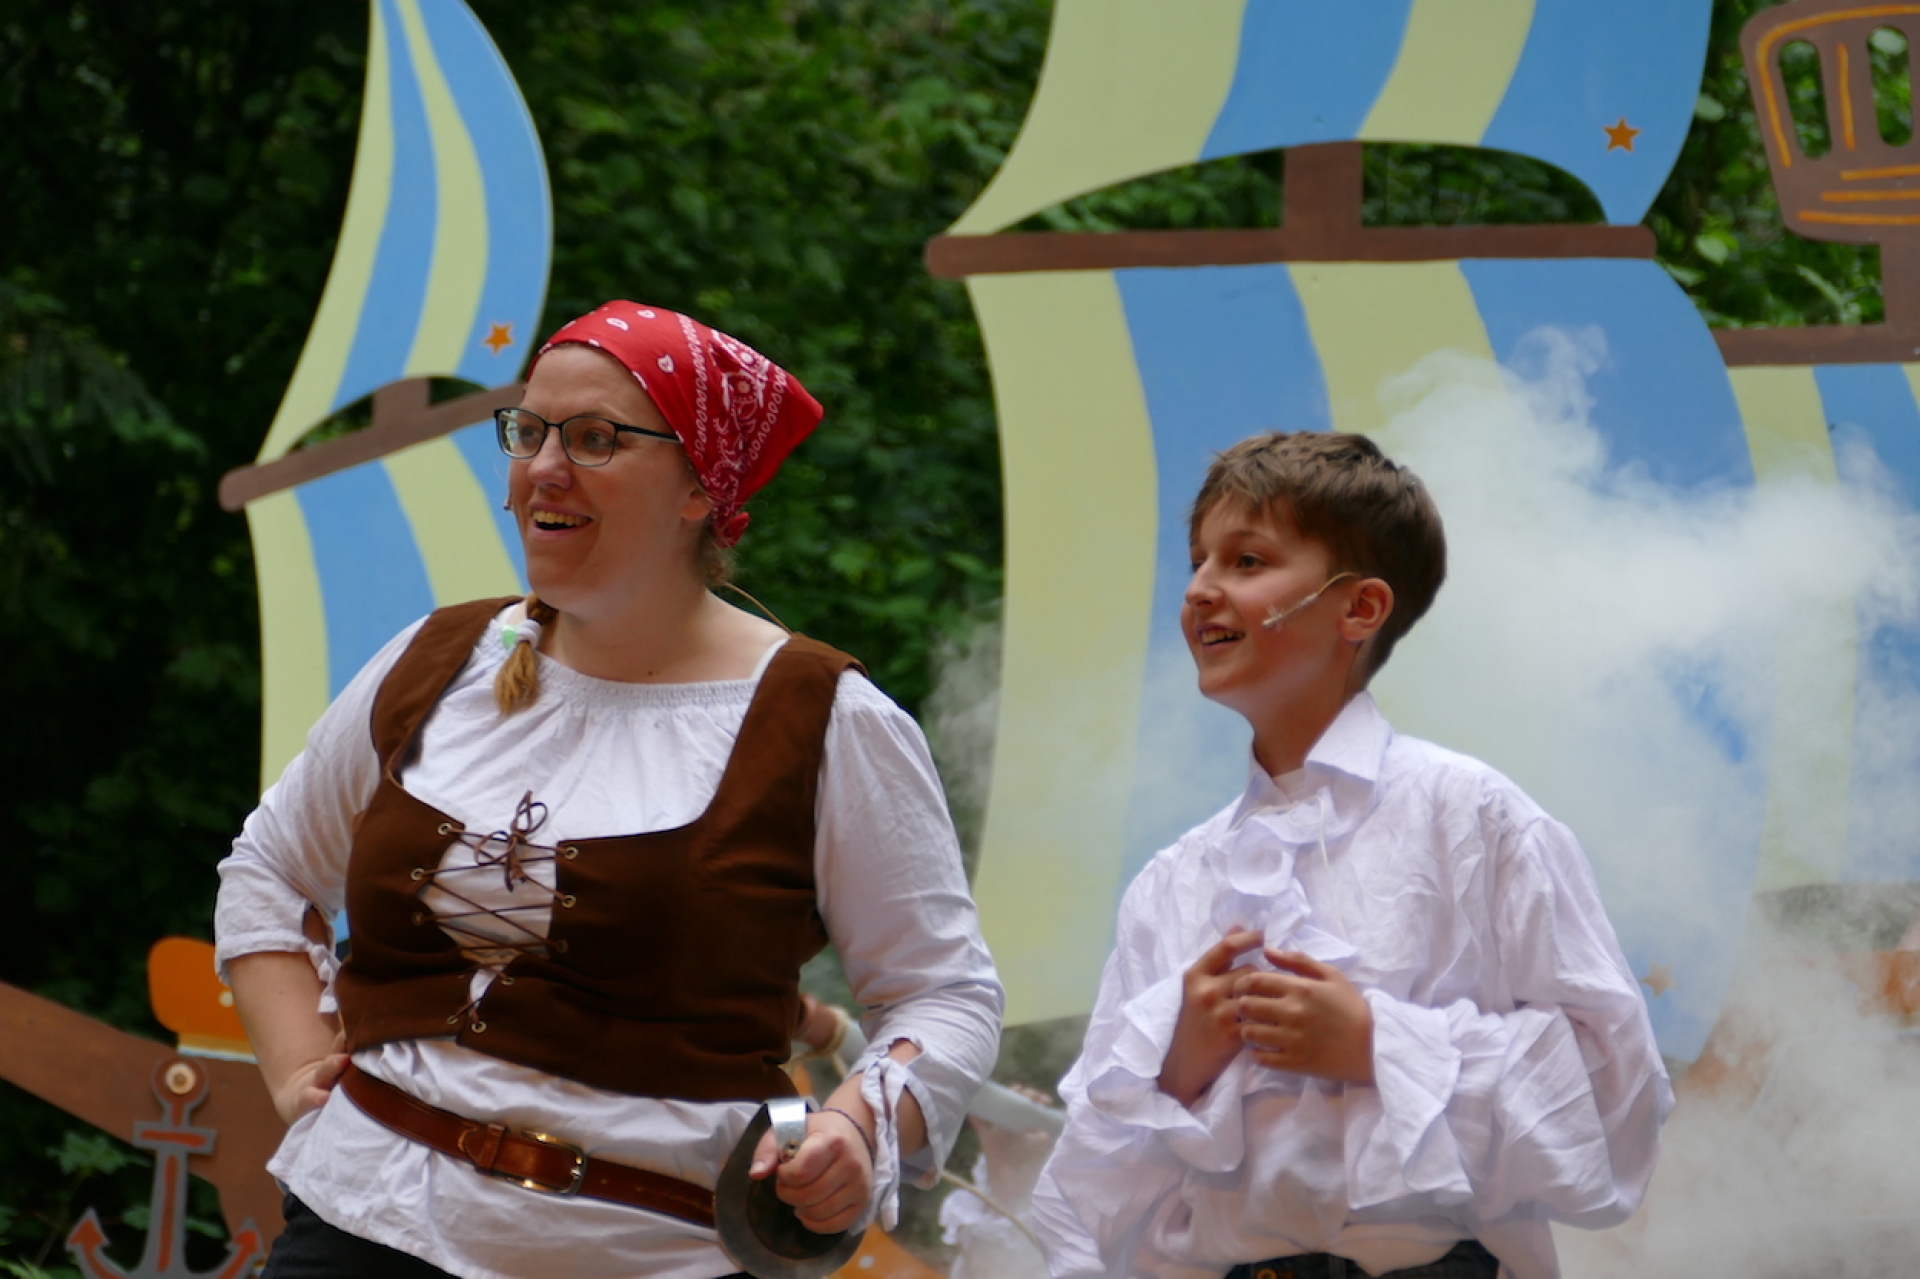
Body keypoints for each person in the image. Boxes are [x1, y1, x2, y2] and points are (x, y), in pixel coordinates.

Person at [215, 301, 1003, 1279]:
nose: (545, 467)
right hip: (363, 1228)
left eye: (595, 439)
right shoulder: (438, 660)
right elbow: (270, 867)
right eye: (529, 430)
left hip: (652, 1253)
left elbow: (941, 990)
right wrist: (298, 1066)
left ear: (698, 487)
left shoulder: (822, 718)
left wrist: (858, 1124)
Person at [1031, 432, 1671, 1279]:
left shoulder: (1473, 817)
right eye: (1197, 562)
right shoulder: (1172, 884)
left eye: (1247, 560)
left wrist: (1378, 1041)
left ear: (1360, 609)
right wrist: (1175, 1068)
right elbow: (1084, 1194)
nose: (1200, 589)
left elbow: (1615, 1092)